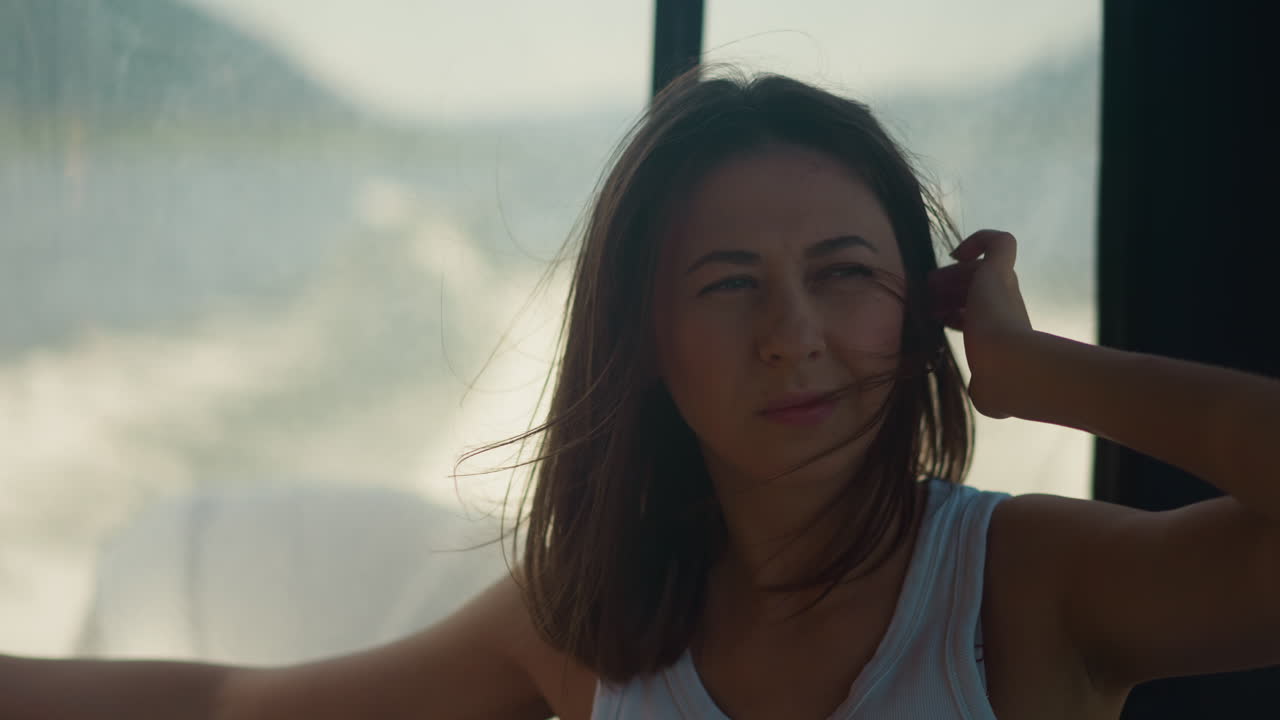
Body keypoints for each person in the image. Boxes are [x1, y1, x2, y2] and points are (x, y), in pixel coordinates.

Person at [3, 64, 1280, 720]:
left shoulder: (1025, 585)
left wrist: (1036, 372)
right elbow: (237, 708)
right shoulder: (595, 626)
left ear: (919, 302)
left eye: (842, 274)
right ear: (644, 341)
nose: (792, 337)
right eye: (729, 285)